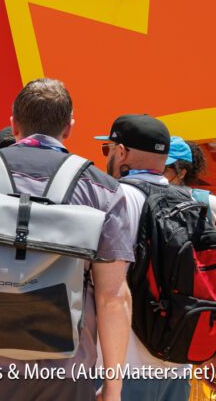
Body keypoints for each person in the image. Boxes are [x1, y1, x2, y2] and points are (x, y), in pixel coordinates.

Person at [0, 78, 134, 401]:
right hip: (66, 376)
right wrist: (113, 387)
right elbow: (113, 298)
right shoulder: (102, 190)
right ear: (69, 128)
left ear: (14, 124)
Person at [98, 116, 192, 400]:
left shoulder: (112, 198)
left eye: (108, 149)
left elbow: (106, 292)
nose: (108, 156)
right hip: (178, 366)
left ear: (122, 152)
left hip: (120, 370)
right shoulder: (195, 204)